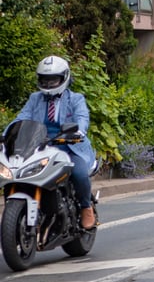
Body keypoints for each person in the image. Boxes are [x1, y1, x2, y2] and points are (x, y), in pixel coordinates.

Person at [7, 55, 96, 229]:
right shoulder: (35, 99)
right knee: (17, 171)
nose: (48, 84)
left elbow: (82, 117)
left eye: (53, 80)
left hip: (69, 146)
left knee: (79, 173)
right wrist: (7, 134)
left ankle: (86, 207)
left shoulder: (76, 99)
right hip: (40, 147)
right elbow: (21, 118)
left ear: (64, 78)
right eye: (45, 80)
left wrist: (78, 131)